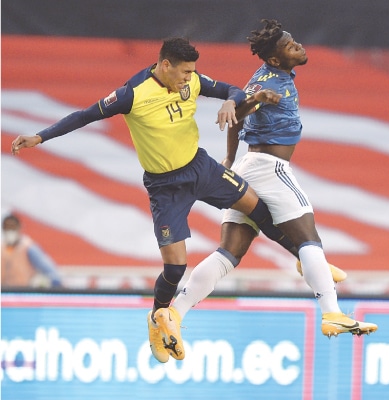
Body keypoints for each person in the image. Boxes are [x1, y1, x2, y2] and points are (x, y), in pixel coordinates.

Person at [11, 36, 316, 363]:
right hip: (165, 186)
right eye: (184, 72)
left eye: (192, 72)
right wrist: (40, 137)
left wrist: (231, 101)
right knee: (175, 265)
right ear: (165, 65)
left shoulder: (193, 81)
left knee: (257, 208)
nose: (189, 78)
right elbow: (84, 116)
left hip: (202, 168)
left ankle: (308, 259)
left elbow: (233, 91)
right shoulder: (132, 94)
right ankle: (159, 319)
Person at [160, 20, 378, 361]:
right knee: (308, 238)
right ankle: (331, 311)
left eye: (295, 42)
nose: (299, 47)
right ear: (275, 60)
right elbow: (243, 108)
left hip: (249, 166)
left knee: (229, 252)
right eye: (290, 47)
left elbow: (238, 116)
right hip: (271, 169)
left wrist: (231, 158)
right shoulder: (267, 82)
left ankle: (175, 312)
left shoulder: (271, 77)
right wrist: (256, 100)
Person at [1, 213, 62, 288]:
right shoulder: (1, 248)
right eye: (7, 228)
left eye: (12, 227)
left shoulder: (28, 248)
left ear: (19, 228)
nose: (9, 231)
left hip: (25, 293)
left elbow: (51, 272)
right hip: (5, 294)